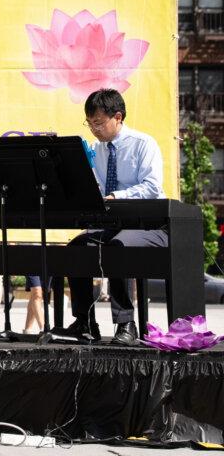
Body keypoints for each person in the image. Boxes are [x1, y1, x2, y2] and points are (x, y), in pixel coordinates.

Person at [55, 88, 164, 346]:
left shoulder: (143, 144)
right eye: (90, 123)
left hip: (148, 226)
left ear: (118, 117)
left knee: (118, 248)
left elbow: (152, 187)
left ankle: (126, 323)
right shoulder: (97, 149)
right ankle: (84, 322)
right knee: (76, 249)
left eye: (99, 123)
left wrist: (116, 196)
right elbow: (97, 188)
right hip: (112, 224)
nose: (94, 129)